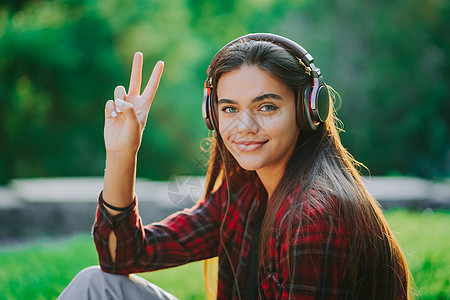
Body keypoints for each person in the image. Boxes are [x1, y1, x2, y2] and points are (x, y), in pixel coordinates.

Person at [59, 33, 412, 299]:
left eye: (266, 106)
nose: (243, 126)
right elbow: (122, 257)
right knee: (95, 283)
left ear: (308, 110)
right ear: (213, 114)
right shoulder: (247, 192)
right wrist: (123, 153)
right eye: (229, 108)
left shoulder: (314, 216)